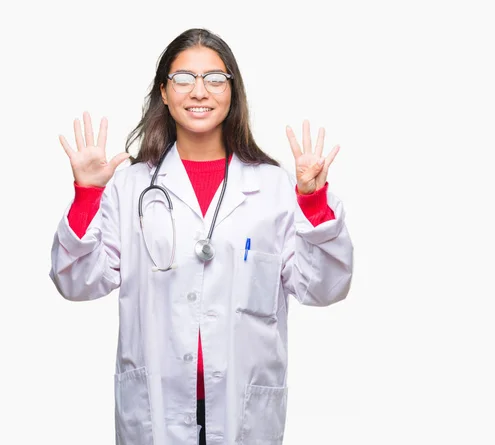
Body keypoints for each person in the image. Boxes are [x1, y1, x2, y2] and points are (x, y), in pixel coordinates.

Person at [49, 28, 353, 445]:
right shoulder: (132, 187)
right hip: (156, 408)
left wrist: (314, 202)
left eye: (214, 79)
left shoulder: (273, 186)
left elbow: (323, 288)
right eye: (183, 79)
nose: (199, 91)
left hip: (243, 408)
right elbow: (75, 282)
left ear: (233, 91)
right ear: (164, 92)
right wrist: (86, 195)